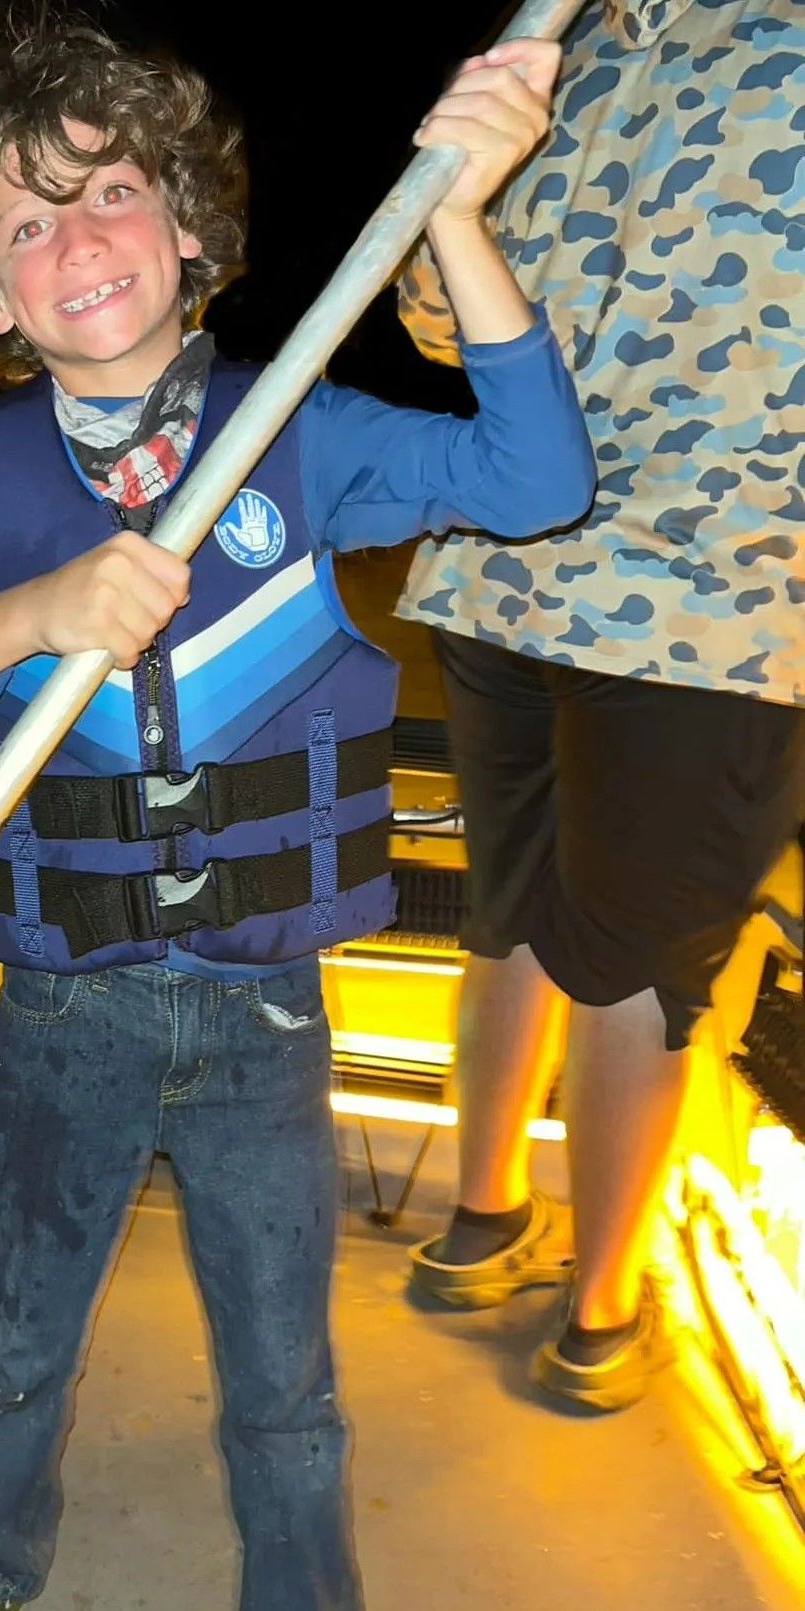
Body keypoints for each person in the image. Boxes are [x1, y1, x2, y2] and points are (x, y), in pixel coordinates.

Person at [0, 20, 592, 1609]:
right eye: (22, 227)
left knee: (284, 1379)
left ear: (185, 227)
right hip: (57, 1011)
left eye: (104, 194)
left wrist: (458, 209)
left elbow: (534, 481)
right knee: (18, 1348)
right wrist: (35, 607)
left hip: (264, 1010)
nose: (72, 243)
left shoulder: (303, 431)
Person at [399, 0, 805, 1414]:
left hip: (602, 577)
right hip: (657, 593)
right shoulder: (569, 50)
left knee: (553, 922)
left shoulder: (586, 50)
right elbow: (437, 319)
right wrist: (460, 188)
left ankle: (502, 1234)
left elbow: (438, 322)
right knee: (585, 936)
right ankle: (580, 1291)